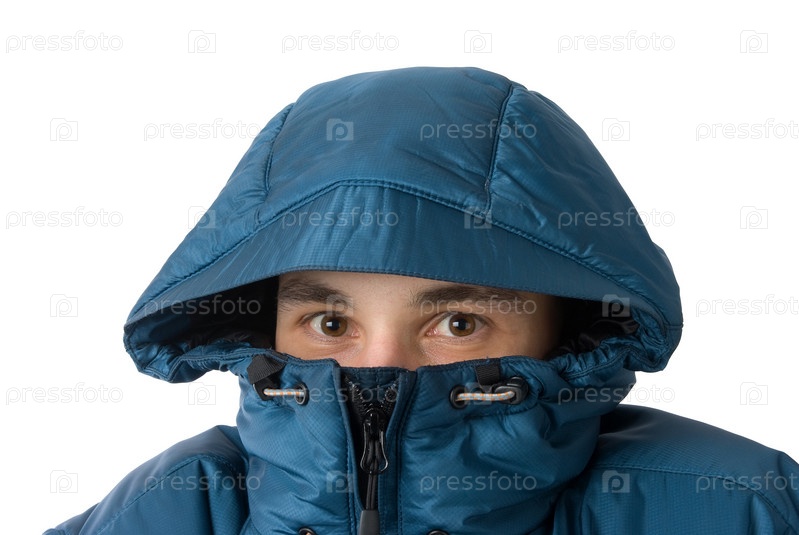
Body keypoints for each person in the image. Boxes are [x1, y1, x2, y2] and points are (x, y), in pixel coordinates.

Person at [45, 66, 799, 534]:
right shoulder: (174, 508)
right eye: (330, 321)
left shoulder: (733, 507)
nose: (379, 367)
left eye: (457, 322)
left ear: (568, 333)